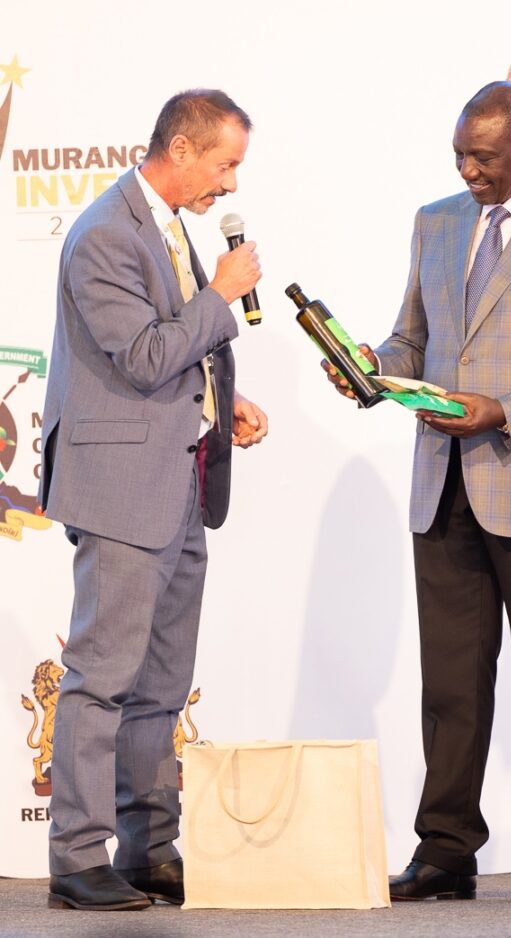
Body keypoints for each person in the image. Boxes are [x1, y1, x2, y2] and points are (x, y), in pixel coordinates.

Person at [326, 81, 511, 902]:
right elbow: (413, 337)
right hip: (443, 483)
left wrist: (507, 410)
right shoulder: (436, 220)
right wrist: (371, 370)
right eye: (460, 155)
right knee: (452, 682)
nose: (469, 171)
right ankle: (446, 848)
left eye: (485, 158)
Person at [39, 89, 268, 912]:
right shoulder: (106, 232)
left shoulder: (169, 227)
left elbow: (172, 358)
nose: (230, 185)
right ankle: (74, 856)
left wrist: (218, 400)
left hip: (182, 478)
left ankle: (148, 845)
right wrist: (224, 295)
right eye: (224, 163)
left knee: (163, 683)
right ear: (180, 147)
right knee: (103, 678)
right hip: (122, 491)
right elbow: (139, 357)